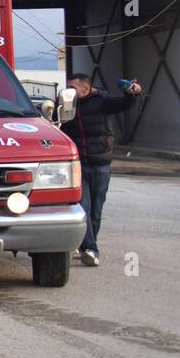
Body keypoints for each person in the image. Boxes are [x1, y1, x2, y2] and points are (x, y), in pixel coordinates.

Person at [59, 72, 142, 267]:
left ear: (85, 89)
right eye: (67, 87)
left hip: (101, 163)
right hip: (78, 165)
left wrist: (133, 93)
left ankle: (87, 245)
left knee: (96, 209)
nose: (68, 90)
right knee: (83, 207)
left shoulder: (102, 100)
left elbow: (124, 104)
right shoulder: (64, 104)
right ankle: (91, 249)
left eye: (72, 87)